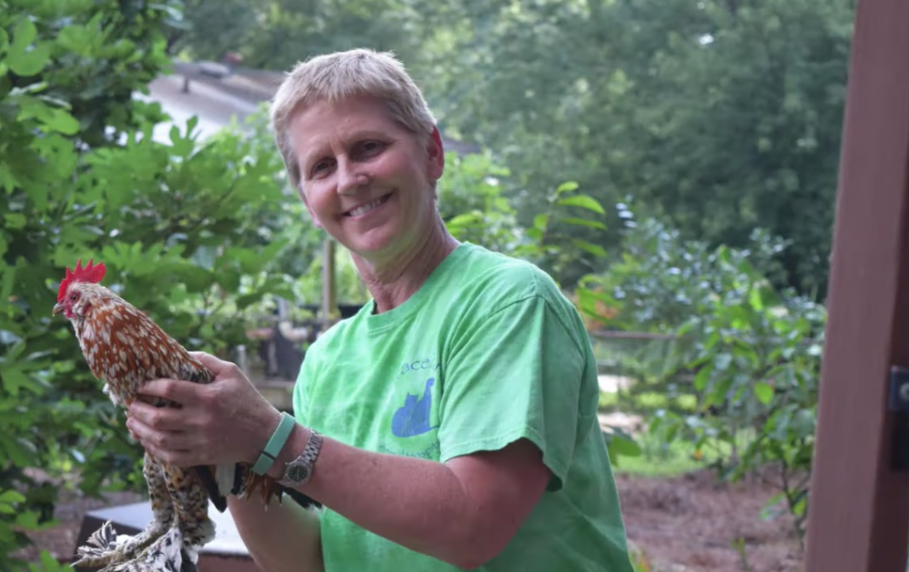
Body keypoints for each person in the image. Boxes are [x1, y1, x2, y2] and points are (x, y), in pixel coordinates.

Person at [126, 48, 635, 572]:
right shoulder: (327, 361)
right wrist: (226, 457)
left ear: (432, 154)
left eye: (368, 147)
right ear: (308, 201)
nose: (348, 179)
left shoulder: (508, 302)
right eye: (322, 166)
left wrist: (268, 436)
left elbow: (473, 525)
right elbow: (317, 559)